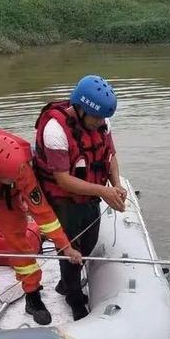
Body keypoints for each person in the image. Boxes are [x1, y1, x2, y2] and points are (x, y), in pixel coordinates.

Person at [0, 132, 82, 325]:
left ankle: (32, 295)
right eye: (9, 178)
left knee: (20, 247)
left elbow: (42, 212)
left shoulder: (21, 170)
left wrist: (65, 246)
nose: (15, 180)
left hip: (6, 202)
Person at [34, 75, 126, 321]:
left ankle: (65, 284)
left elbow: (110, 156)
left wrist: (115, 184)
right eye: (96, 117)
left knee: (89, 242)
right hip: (64, 199)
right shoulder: (55, 130)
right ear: (81, 109)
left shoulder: (102, 122)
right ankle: (74, 298)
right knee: (71, 250)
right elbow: (63, 179)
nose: (100, 123)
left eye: (103, 118)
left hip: (91, 194)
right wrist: (104, 191)